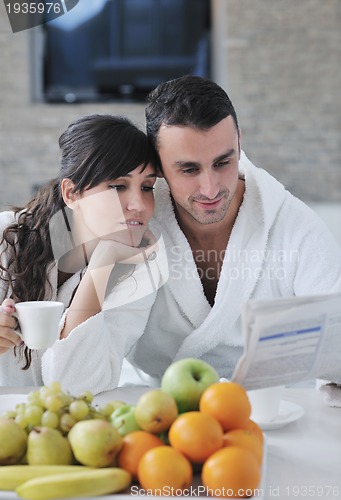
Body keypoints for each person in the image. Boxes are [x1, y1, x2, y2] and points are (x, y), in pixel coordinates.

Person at [123, 75, 341, 385]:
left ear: (239, 141)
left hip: (273, 409)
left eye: (223, 162)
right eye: (189, 169)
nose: (210, 189)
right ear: (157, 165)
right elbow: (90, 358)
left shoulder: (294, 226)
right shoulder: (138, 225)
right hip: (162, 410)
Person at [0, 114, 167, 393]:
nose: (138, 204)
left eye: (147, 187)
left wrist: (102, 266)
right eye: (117, 186)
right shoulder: (6, 237)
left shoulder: (140, 270)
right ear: (71, 194)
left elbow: (80, 386)